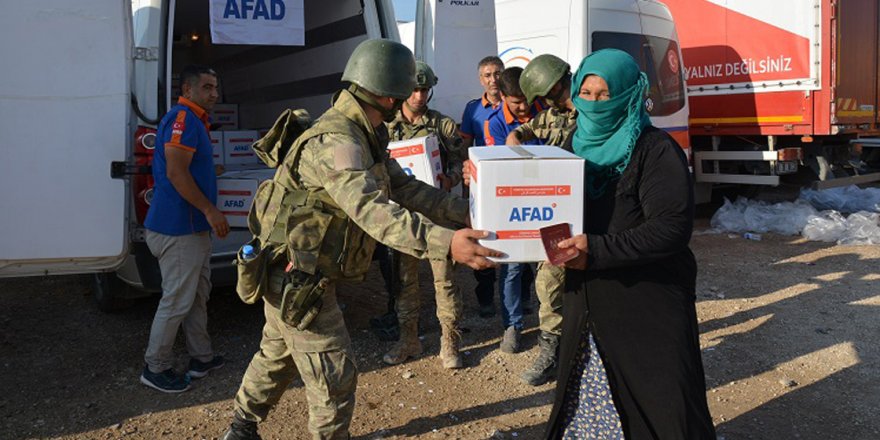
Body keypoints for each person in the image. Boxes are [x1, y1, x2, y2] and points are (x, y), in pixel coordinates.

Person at [221, 39, 499, 440]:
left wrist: (467, 213)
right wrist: (447, 243)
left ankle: (241, 428)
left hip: (297, 269)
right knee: (334, 378)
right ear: (388, 96)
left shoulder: (365, 133)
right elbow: (374, 212)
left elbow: (403, 189)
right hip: (297, 277)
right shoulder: (339, 141)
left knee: (278, 353)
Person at [544, 49, 715, 439]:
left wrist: (598, 250)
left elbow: (671, 229)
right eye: (585, 92)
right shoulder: (575, 144)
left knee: (661, 401)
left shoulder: (656, 150)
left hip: (646, 303)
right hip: (587, 301)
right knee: (588, 396)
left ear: (629, 94)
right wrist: (488, 177)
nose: (594, 103)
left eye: (605, 94)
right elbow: (542, 192)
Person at [140, 64, 228, 393]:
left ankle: (201, 358)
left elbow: (186, 166)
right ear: (188, 90)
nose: (214, 94)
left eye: (216, 88)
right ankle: (155, 367)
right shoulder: (184, 120)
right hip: (178, 229)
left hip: (190, 230)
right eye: (207, 87)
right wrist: (209, 209)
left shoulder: (195, 121)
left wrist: (211, 168)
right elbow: (177, 173)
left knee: (196, 296)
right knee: (177, 301)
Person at [382, 61, 467, 369]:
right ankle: (408, 339)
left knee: (444, 279)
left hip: (437, 211)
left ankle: (450, 340)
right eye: (415, 89)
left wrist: (451, 178)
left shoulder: (442, 125)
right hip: (403, 216)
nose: (419, 95)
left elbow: (462, 161)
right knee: (405, 282)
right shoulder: (388, 127)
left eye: (425, 89)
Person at [507, 54, 577, 386]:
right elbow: (518, 134)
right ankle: (551, 352)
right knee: (549, 282)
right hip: (558, 215)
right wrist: (516, 147)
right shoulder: (549, 116)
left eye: (548, 96)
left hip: (596, 212)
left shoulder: (593, 113)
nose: (549, 103)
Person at [482, 66, 545, 354]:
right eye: (516, 102)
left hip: (548, 198)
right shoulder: (494, 123)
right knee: (512, 266)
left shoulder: (546, 112)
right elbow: (499, 166)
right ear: (503, 97)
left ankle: (550, 325)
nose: (523, 107)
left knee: (548, 263)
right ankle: (513, 325)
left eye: (526, 100)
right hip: (513, 203)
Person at [460, 56, 504, 319]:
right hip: (483, 185)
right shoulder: (473, 109)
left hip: (511, 183)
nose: (493, 80)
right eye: (488, 75)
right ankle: (486, 298)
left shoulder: (515, 106)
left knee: (517, 234)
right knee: (484, 238)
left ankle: (521, 299)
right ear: (481, 79)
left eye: (497, 74)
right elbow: (464, 146)